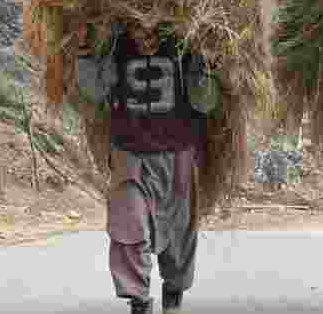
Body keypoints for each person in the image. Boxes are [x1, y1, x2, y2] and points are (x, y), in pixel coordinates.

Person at [77, 19, 220, 314]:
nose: (147, 37)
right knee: (129, 225)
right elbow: (95, 92)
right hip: (130, 155)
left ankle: (174, 288)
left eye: (154, 30)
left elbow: (205, 102)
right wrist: (86, 55)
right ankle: (138, 298)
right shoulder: (115, 43)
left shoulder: (185, 46)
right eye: (139, 29)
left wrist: (204, 65)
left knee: (180, 230)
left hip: (177, 154)